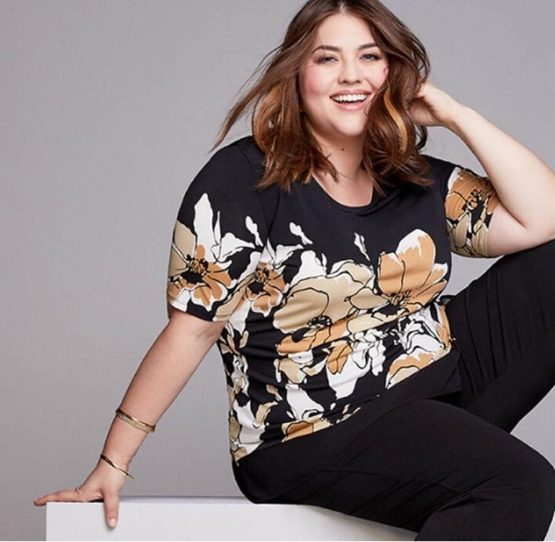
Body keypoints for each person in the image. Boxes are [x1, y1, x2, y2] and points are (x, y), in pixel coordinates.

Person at [34, 0, 555, 539]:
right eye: (328, 58)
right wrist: (113, 462)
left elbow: (543, 219)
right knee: (521, 483)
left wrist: (456, 115)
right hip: (312, 431)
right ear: (298, 75)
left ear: (392, 71)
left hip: (432, 381)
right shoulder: (244, 181)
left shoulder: (412, 176)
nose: (351, 75)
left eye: (370, 57)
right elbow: (192, 331)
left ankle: (448, 452)